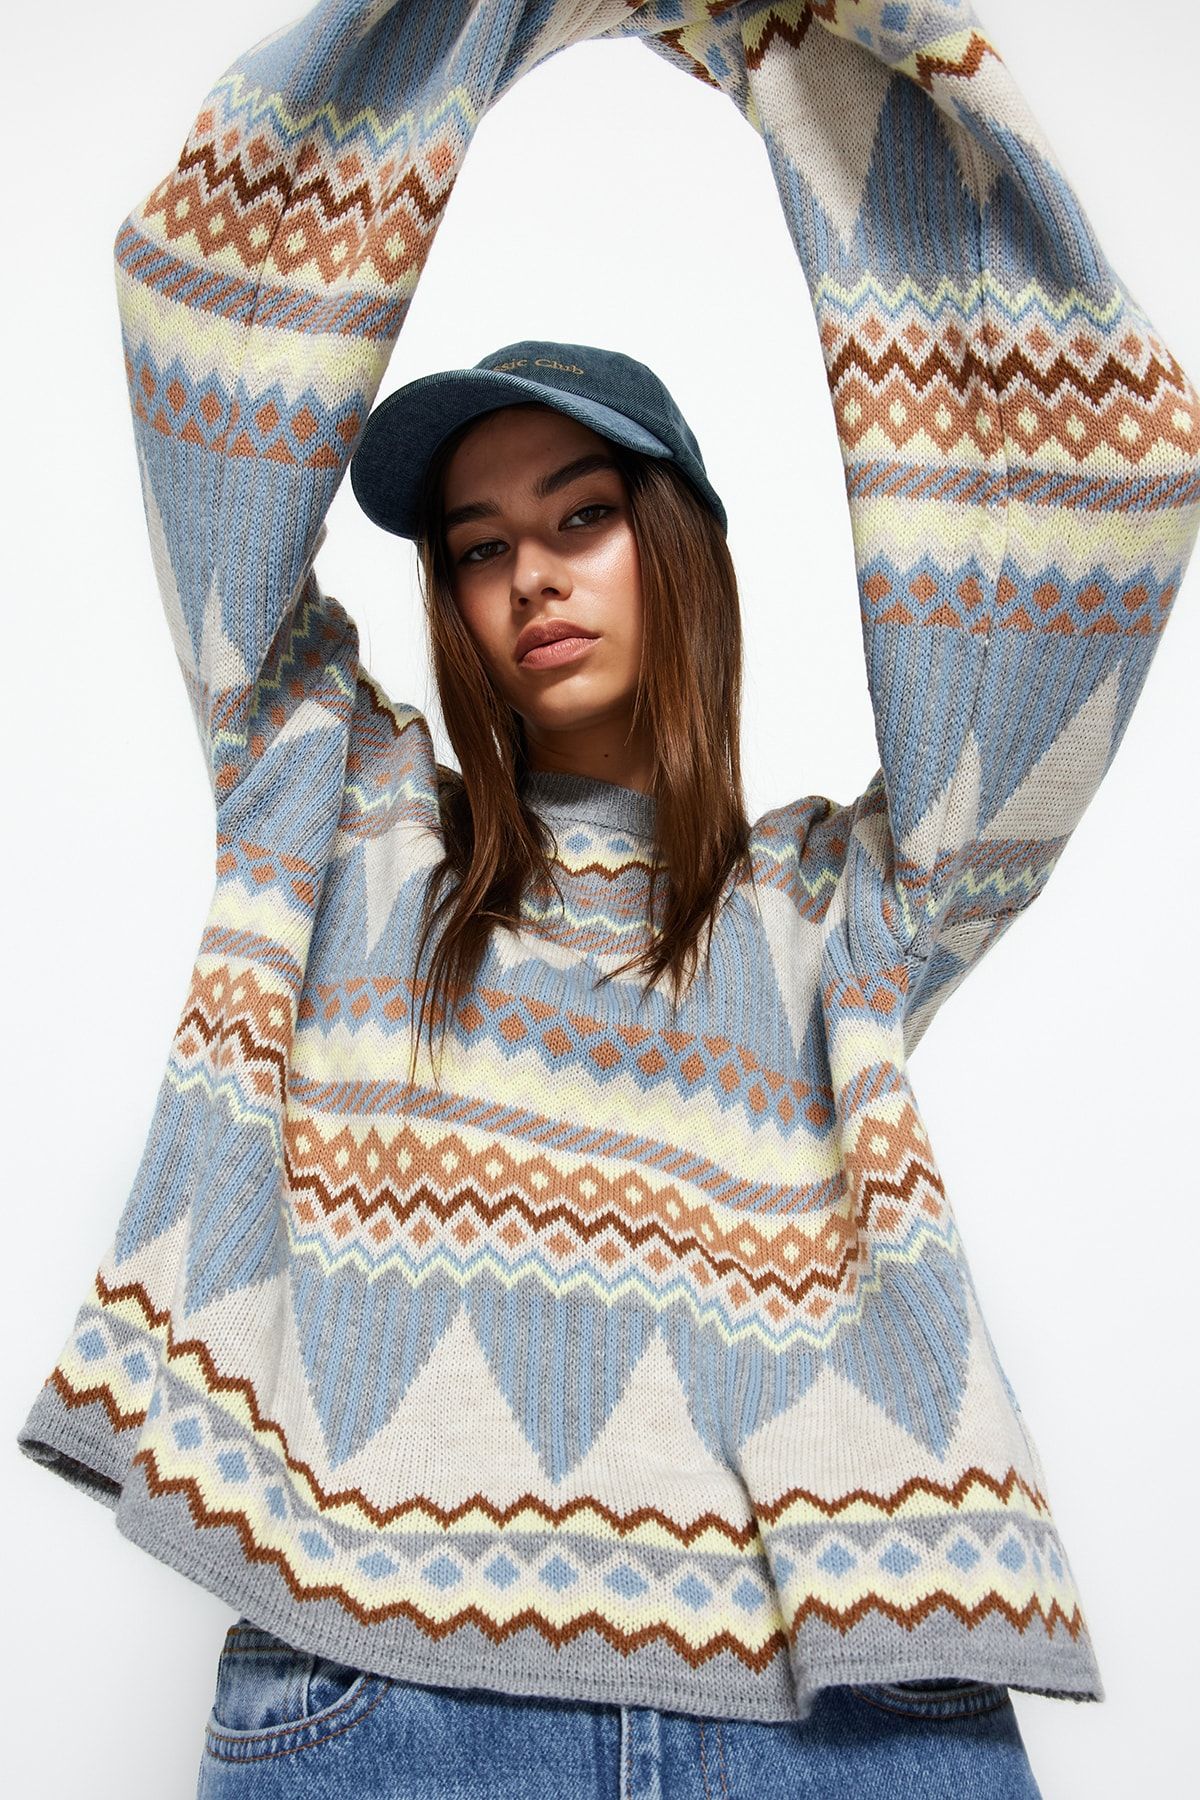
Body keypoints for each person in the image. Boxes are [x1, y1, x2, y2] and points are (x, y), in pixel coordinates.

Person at [14, 2, 1200, 1796]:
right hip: (392, 1693)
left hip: (833, 1704)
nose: (529, 579)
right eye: (478, 547)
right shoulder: (340, 815)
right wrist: (488, 13)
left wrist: (809, 56)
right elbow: (210, 333)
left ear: (681, 552)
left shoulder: (839, 907)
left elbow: (1096, 510)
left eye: (581, 518)